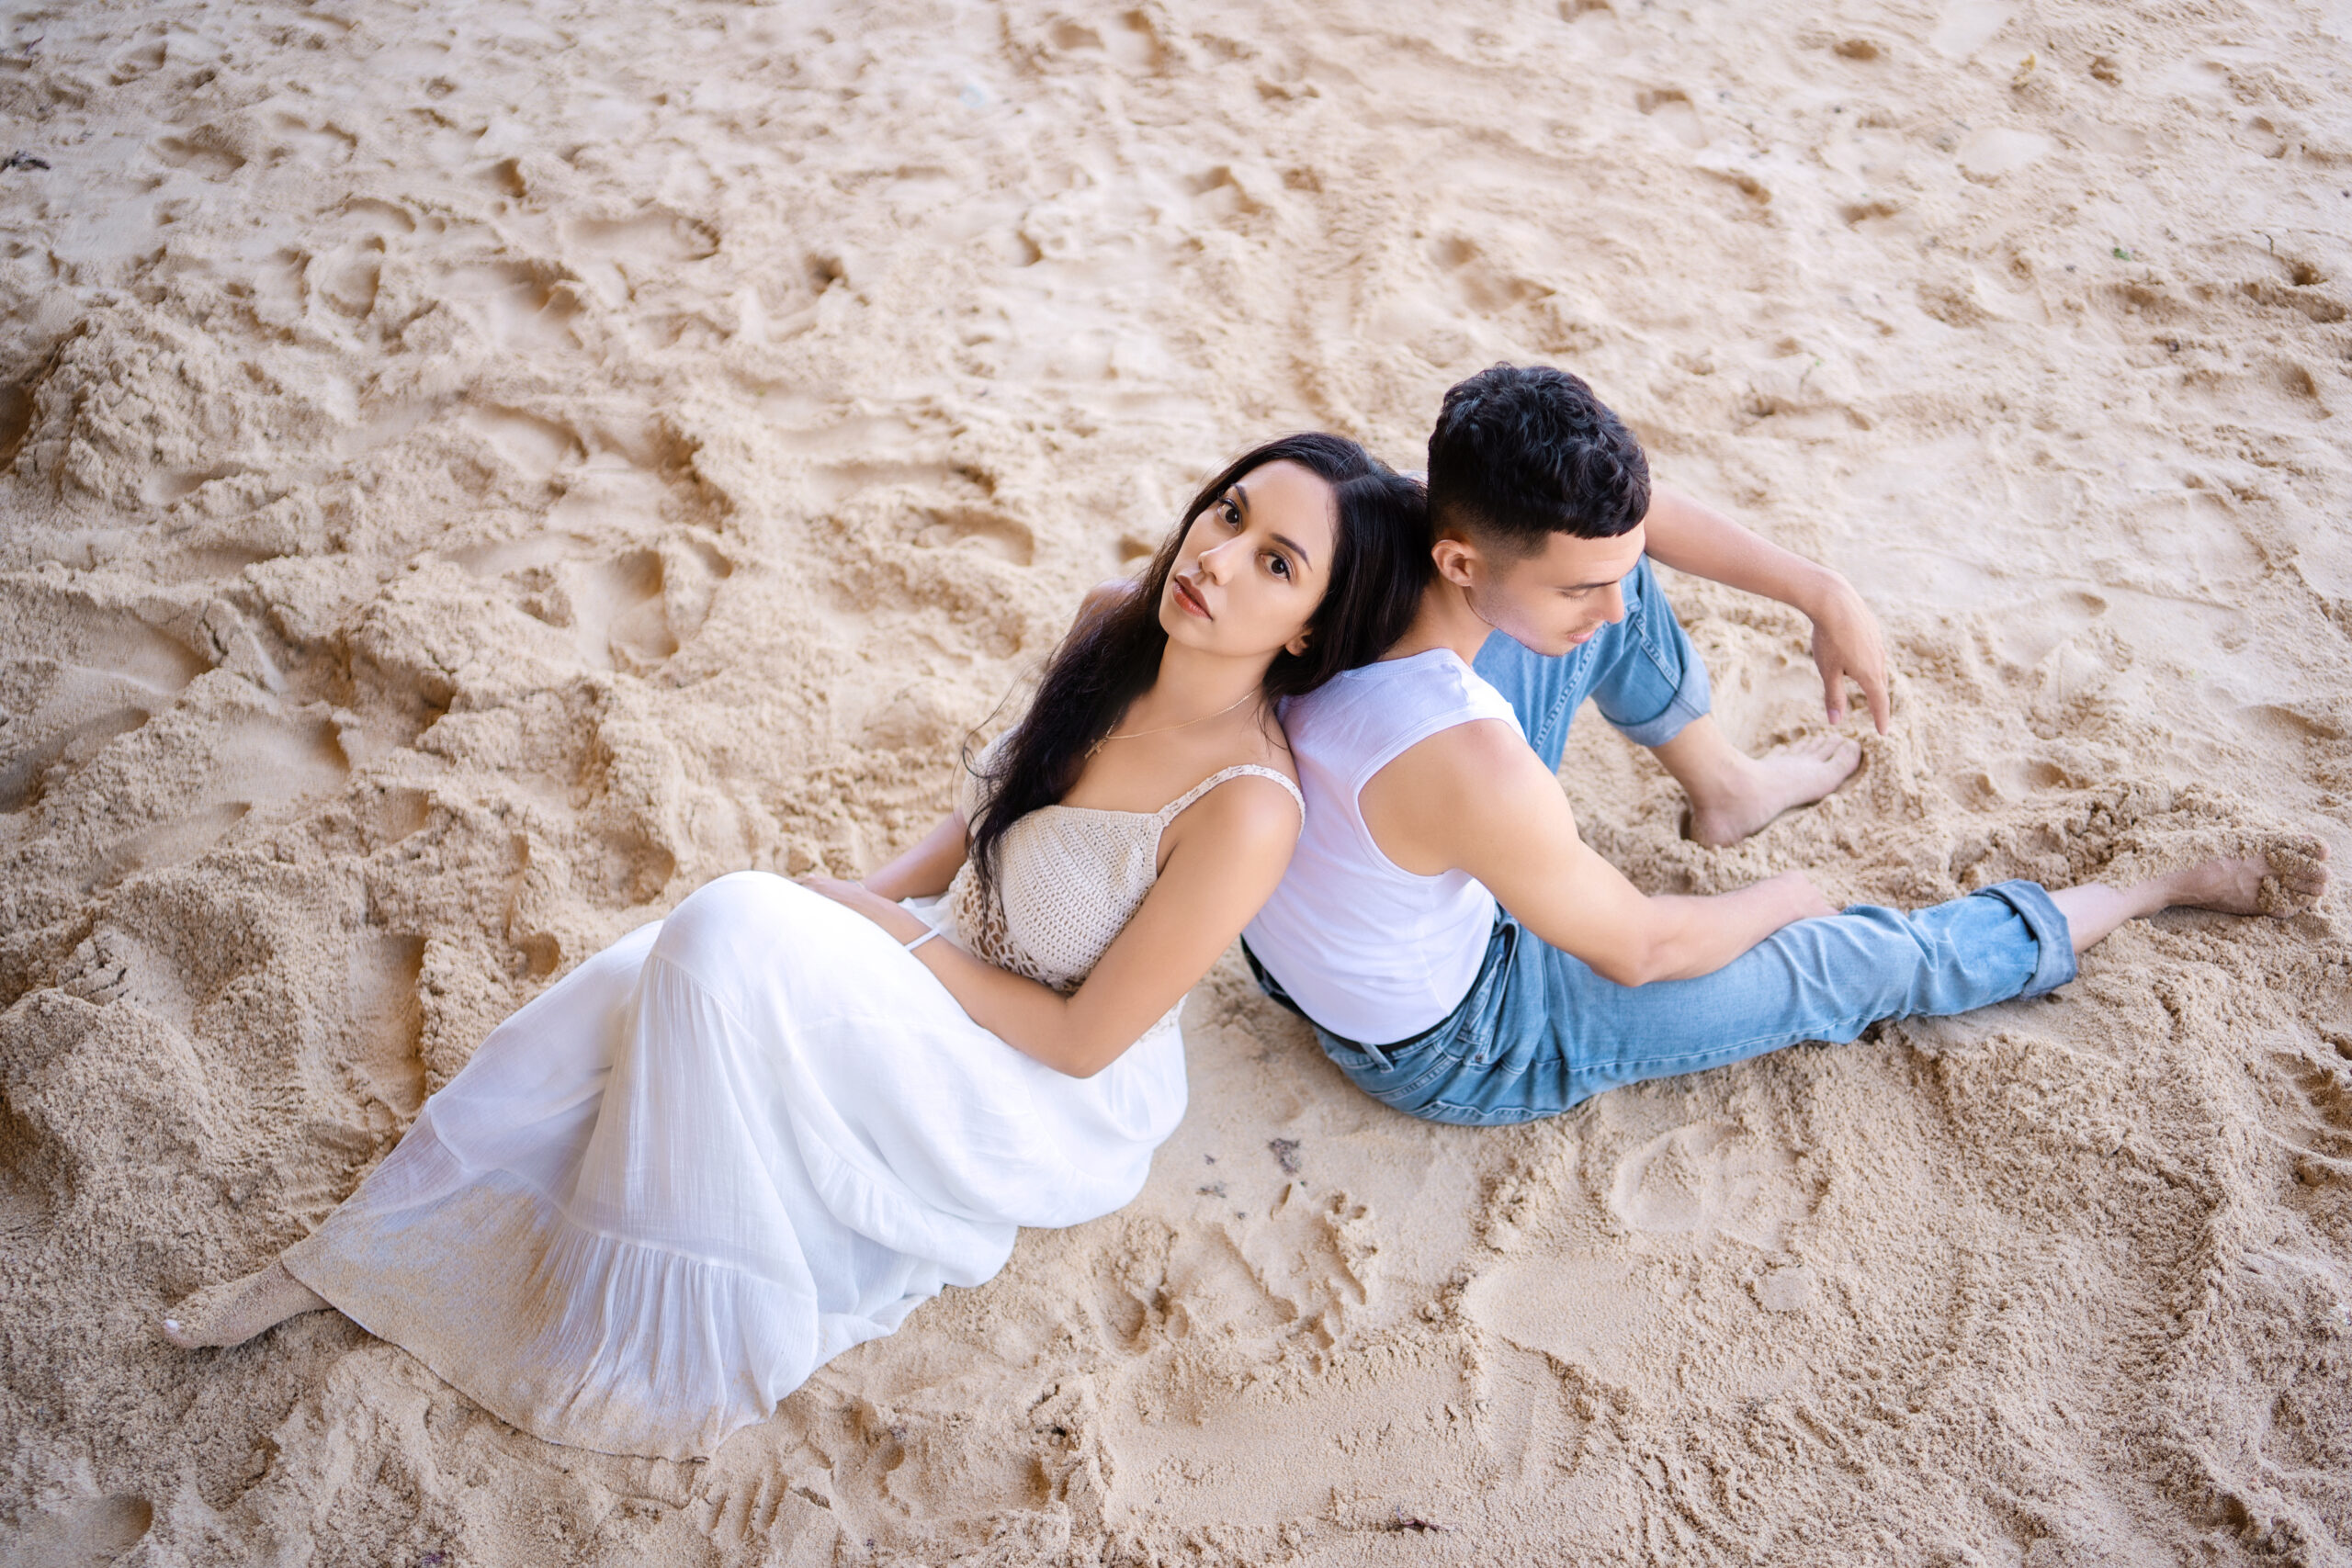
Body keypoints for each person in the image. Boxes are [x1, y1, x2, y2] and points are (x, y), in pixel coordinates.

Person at [158, 433, 1430, 1461]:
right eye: (1226, 512)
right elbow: (991, 818)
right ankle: (369, 1249)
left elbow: (1085, 1039)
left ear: (1311, 628)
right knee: (658, 967)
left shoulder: (1248, 807)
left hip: (1032, 1082)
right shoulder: (1112, 619)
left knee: (723, 934)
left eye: (1276, 562)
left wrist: (871, 928)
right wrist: (857, 897)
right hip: (941, 957)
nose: (1216, 555)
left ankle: (637, 1338)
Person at [1241, 365, 2330, 1125]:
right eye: (1583, 586)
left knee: (1600, 577)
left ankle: (1726, 789)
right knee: (1832, 967)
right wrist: (1788, 896)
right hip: (1457, 1036)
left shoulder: (1366, 529)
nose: (1614, 610)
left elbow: (1629, 525)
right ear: (1463, 561)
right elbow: (1642, 949)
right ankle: (2136, 894)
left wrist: (1821, 587)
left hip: (1357, 902)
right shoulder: (1464, 753)